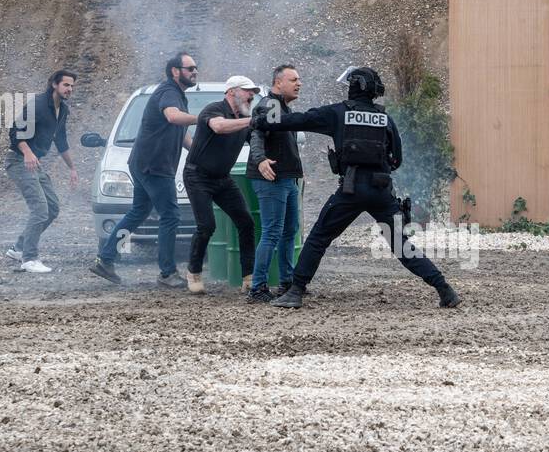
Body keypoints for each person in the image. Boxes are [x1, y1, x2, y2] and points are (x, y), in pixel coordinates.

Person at [256, 66, 460, 309]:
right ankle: (444, 289)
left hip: (351, 190)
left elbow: (295, 120)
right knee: (402, 245)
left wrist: (261, 119)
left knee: (319, 237)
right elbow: (397, 160)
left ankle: (295, 291)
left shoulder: (337, 113)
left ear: (354, 86)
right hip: (382, 191)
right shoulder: (385, 118)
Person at [89, 51, 199, 287]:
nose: (194, 72)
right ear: (175, 71)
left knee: (138, 212)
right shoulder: (168, 92)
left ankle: (105, 259)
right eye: (190, 68)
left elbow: (181, 134)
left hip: (144, 163)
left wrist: (199, 153)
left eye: (195, 68)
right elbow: (172, 117)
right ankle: (167, 273)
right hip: (154, 166)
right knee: (170, 216)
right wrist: (204, 119)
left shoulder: (178, 95)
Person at [184, 75, 262, 296]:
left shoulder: (246, 117)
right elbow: (219, 127)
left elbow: (258, 140)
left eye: (253, 92)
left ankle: (248, 277)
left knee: (246, 222)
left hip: (222, 178)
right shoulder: (214, 109)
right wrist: (252, 121)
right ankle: (194, 272)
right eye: (247, 91)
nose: (252, 95)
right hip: (197, 176)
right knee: (207, 226)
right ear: (231, 92)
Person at [5, 69, 79, 274]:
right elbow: (15, 131)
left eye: (72, 86)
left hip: (34, 163)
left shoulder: (62, 110)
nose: (70, 89)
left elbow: (61, 141)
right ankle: (29, 259)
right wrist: (28, 153)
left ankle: (18, 249)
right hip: (19, 161)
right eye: (66, 85)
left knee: (52, 207)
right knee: (39, 209)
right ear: (54, 84)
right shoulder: (38, 105)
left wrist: (72, 168)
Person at [245, 64, 304, 303]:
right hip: (271, 179)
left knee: (289, 231)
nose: (298, 83)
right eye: (293, 79)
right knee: (272, 232)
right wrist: (259, 160)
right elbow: (257, 133)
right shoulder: (270, 105)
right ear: (278, 83)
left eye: (299, 79)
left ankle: (287, 283)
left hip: (286, 179)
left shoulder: (282, 107)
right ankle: (258, 288)